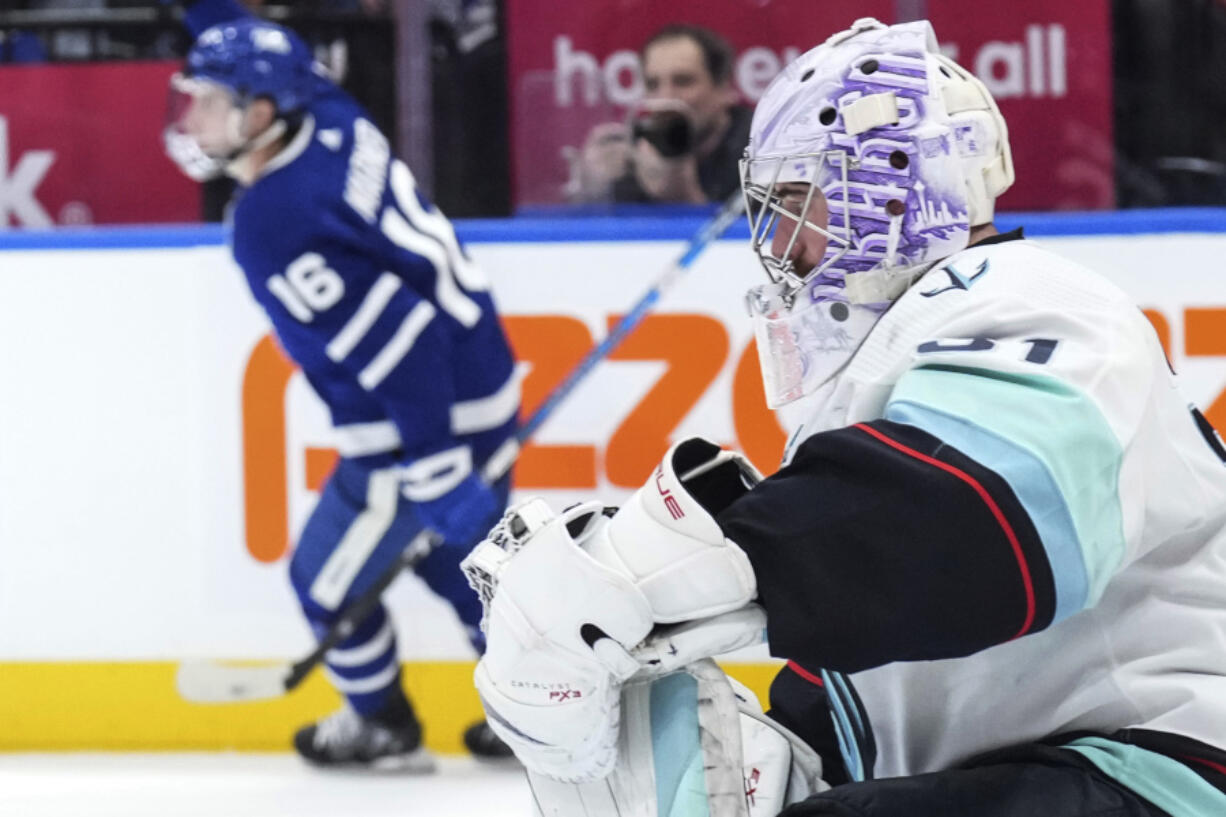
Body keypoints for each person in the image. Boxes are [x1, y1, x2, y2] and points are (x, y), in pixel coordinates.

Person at [466, 17, 1226, 816]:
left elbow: (982, 516)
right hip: (1067, 774)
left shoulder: (1035, 300)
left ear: (894, 185)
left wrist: (659, 572)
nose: (782, 241)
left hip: (1172, 775)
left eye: (797, 199)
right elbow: (878, 661)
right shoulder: (898, 356)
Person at [164, 7, 518, 768]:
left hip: (423, 417)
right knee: (457, 566)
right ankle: (545, 713)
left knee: (323, 577)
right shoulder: (325, 106)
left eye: (207, 100)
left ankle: (381, 722)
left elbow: (403, 341)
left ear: (258, 114)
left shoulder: (274, 217)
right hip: (476, 375)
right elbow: (266, 48)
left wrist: (433, 461)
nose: (191, 117)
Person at [569, 24, 751, 205]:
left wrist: (683, 197)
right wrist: (594, 192)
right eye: (653, 85)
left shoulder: (761, 150)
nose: (665, 98)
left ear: (725, 89)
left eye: (683, 82)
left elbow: (758, 230)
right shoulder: (639, 148)